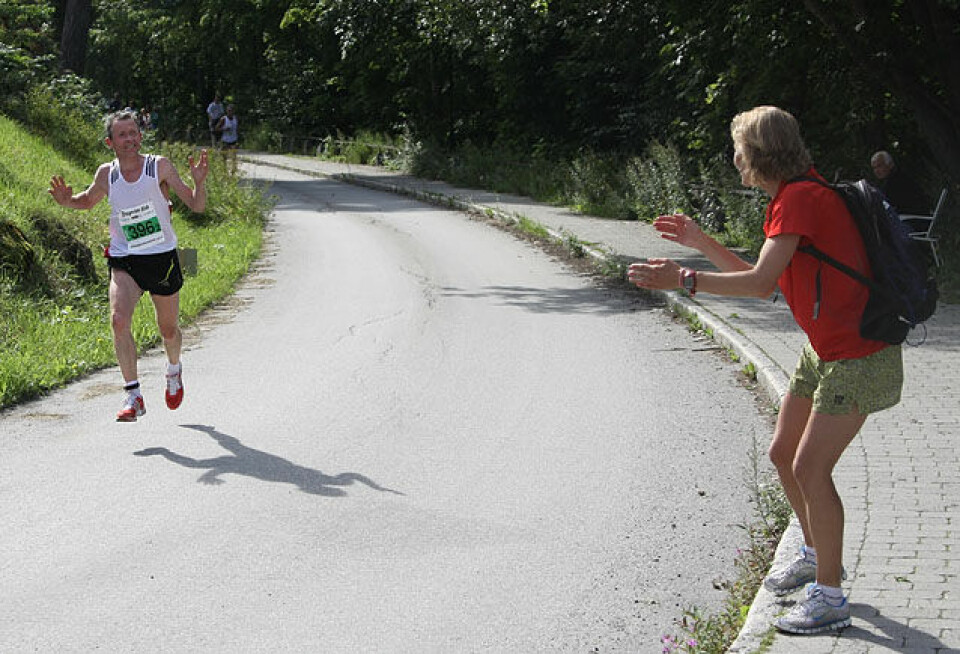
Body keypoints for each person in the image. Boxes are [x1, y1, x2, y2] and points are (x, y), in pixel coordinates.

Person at [628, 106, 902, 635]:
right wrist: (702, 244)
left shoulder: (799, 199)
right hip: (826, 349)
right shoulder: (797, 194)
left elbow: (756, 287)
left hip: (857, 355)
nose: (733, 159)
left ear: (755, 155)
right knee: (783, 454)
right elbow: (768, 280)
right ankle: (815, 552)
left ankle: (830, 596)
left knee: (809, 468)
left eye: (737, 149)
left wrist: (683, 278)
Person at [48, 111, 209, 422]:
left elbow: (196, 205)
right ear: (111, 142)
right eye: (122, 134)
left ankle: (173, 370)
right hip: (124, 258)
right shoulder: (106, 174)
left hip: (161, 257)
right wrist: (67, 201)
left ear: (141, 136)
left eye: (133, 132)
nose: (130, 139)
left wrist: (199, 183)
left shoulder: (158, 166)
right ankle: (133, 395)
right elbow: (86, 200)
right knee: (119, 320)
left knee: (168, 329)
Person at [870, 150, 928, 216]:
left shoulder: (898, 180)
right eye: (874, 168)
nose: (876, 171)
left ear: (890, 164)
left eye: (879, 166)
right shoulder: (886, 182)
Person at [215, 104, 239, 173]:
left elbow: (237, 128)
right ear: (226, 111)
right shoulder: (223, 119)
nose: (230, 112)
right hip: (225, 140)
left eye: (231, 111)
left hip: (234, 140)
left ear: (233, 111)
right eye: (228, 111)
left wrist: (238, 139)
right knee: (224, 157)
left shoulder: (235, 118)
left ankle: (233, 170)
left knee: (234, 156)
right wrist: (224, 129)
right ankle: (224, 170)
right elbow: (216, 128)